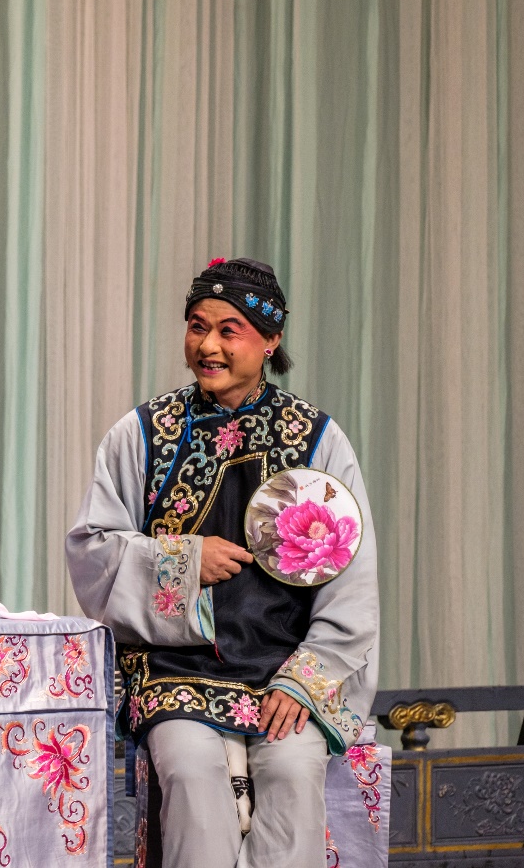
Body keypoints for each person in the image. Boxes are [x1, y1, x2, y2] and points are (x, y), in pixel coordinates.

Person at [65, 258, 379, 866]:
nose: (208, 345)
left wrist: (307, 677)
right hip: (175, 669)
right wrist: (184, 560)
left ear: (271, 339)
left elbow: (352, 577)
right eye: (196, 326)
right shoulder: (143, 433)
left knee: (292, 770)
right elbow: (92, 550)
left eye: (228, 330)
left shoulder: (317, 440)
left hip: (285, 668)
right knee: (189, 769)